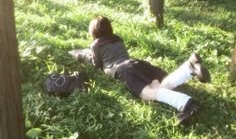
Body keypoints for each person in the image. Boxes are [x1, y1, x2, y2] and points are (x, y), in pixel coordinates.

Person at [69, 16, 211, 126]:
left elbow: (97, 64)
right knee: (158, 86)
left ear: (94, 31)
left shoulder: (96, 45)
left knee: (147, 94)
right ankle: (188, 68)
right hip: (137, 63)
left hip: (122, 69)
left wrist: (82, 55)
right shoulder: (118, 39)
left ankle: (188, 104)